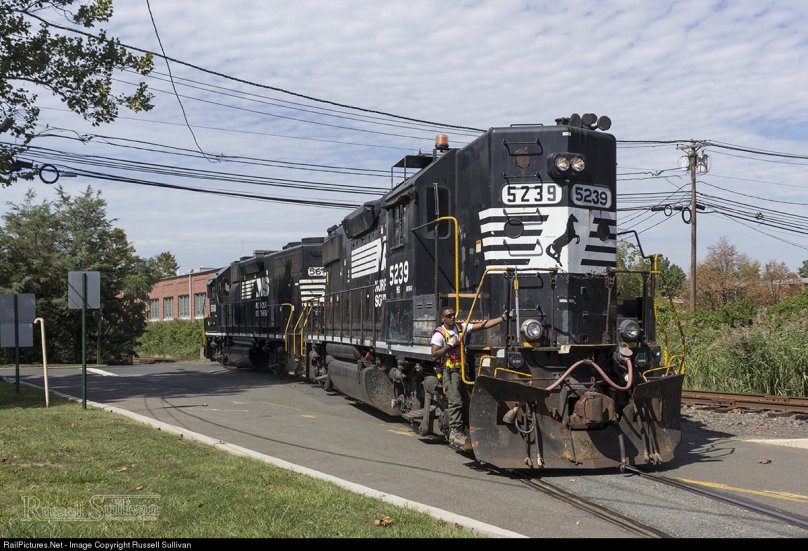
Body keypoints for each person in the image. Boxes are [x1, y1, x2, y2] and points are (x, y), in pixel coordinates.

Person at [431, 306, 509, 450]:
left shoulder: (461, 327)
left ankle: (470, 430)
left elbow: (483, 325)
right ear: (443, 318)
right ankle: (455, 432)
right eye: (449, 316)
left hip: (462, 370)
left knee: (467, 400)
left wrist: (502, 318)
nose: (452, 317)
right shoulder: (439, 334)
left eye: (454, 315)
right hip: (449, 371)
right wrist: (449, 345)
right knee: (455, 401)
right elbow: (434, 355)